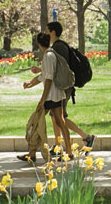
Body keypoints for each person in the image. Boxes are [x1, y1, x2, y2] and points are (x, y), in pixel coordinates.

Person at [30, 22, 95, 154]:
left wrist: (42, 72)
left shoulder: (58, 47)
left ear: (53, 32)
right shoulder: (57, 47)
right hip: (61, 86)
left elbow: (59, 69)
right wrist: (41, 70)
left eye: (47, 30)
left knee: (60, 118)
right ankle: (59, 145)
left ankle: (85, 138)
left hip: (62, 87)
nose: (45, 33)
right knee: (56, 117)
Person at [21, 32, 72, 161]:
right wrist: (30, 83)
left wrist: (42, 99)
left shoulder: (49, 56)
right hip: (53, 95)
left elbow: (48, 78)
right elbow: (43, 76)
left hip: (52, 96)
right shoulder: (50, 55)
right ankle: (32, 154)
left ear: (38, 43)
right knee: (41, 123)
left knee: (56, 123)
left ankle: (69, 153)